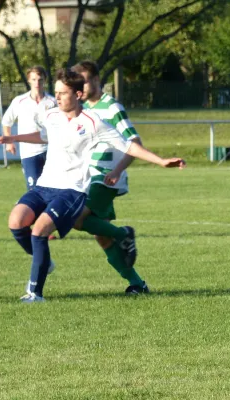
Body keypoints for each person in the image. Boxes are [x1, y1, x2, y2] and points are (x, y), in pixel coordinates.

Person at [0, 68, 185, 303]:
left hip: (73, 189)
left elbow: (130, 146)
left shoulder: (95, 122)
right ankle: (47, 262)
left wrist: (161, 161)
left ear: (78, 94)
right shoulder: (52, 116)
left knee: (40, 230)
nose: (58, 97)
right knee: (16, 221)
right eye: (56, 92)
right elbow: (43, 137)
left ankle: (35, 293)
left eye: (63, 93)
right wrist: (11, 138)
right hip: (45, 186)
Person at [71, 60, 149, 294]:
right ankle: (138, 284)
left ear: (96, 80)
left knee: (76, 219)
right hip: (88, 177)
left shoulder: (112, 107)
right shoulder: (81, 109)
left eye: (83, 80)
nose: (81, 86)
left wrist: (117, 171)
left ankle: (123, 233)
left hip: (105, 177)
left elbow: (135, 143)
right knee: (101, 236)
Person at [2, 66, 57, 190]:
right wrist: (9, 142)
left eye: (40, 80)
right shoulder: (19, 101)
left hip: (50, 150)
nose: (37, 83)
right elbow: (6, 121)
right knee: (33, 188)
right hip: (29, 152)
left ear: (45, 80)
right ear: (29, 81)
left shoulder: (53, 102)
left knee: (52, 187)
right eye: (34, 79)